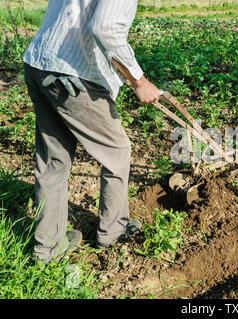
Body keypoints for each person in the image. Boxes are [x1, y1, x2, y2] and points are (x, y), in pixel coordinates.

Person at [23, 0, 160, 262]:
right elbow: (105, 28)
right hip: (73, 75)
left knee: (54, 161)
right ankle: (114, 231)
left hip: (39, 62)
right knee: (117, 152)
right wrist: (139, 81)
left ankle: (48, 249)